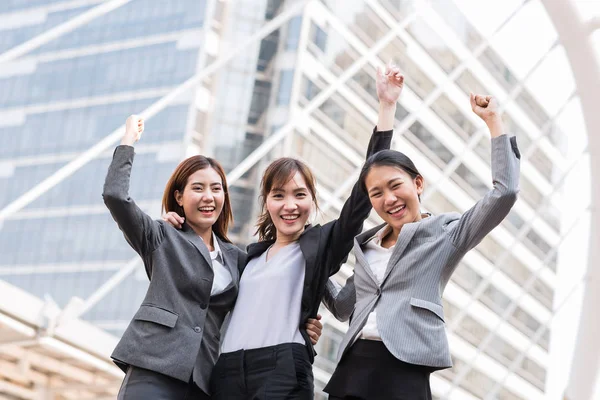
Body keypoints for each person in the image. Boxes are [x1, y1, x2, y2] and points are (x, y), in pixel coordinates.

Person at [207, 63, 404, 400]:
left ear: (312, 201)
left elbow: (360, 197)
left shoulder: (320, 244)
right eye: (278, 195)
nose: (289, 205)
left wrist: (386, 108)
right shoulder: (246, 257)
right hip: (226, 371)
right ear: (266, 200)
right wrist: (172, 222)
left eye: (300, 195)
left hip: (281, 368)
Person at [104, 116, 322, 399]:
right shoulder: (161, 236)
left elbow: (268, 300)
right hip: (153, 368)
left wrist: (303, 324)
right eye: (198, 188)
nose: (209, 197)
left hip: (205, 382)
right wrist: (128, 141)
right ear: (179, 197)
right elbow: (115, 196)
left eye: (216, 188)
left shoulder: (239, 259)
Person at [322, 93, 520, 400]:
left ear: (417, 184)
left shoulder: (447, 233)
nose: (388, 199)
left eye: (395, 185)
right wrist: (308, 261)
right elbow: (342, 307)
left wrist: (494, 120)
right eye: (376, 193)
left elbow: (504, 193)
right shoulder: (367, 247)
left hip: (405, 368)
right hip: (353, 368)